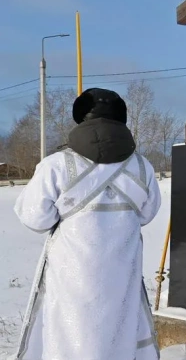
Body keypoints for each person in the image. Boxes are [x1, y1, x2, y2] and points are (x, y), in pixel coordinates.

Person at [13, 88, 162, 360]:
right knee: (120, 336)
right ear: (122, 117)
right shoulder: (142, 167)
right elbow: (146, 213)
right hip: (122, 277)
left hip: (70, 279)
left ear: (80, 117)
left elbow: (35, 217)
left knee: (69, 339)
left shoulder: (56, 165)